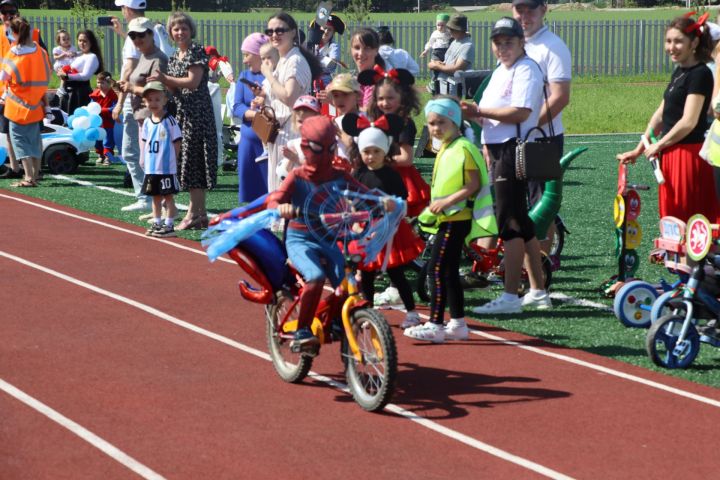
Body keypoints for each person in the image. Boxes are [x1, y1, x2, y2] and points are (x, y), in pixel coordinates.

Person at [463, 17, 550, 315]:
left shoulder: (526, 69)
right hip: (501, 149)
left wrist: (478, 111)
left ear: (521, 42)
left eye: (508, 42)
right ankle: (538, 290)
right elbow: (491, 114)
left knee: (510, 222)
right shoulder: (503, 70)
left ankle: (511, 295)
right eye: (498, 43)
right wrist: (476, 119)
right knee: (521, 223)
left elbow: (520, 111)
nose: (502, 48)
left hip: (514, 150)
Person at [266, 115, 361, 351]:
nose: (325, 156)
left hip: (330, 238)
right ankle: (302, 330)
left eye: (330, 148)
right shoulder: (298, 176)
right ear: (307, 147)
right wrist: (281, 207)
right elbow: (274, 200)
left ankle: (338, 321)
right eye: (319, 149)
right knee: (316, 276)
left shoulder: (338, 175)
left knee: (347, 283)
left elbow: (364, 193)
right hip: (300, 239)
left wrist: (385, 202)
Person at [405, 97, 495, 342]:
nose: (435, 128)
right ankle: (457, 323)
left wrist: (446, 202)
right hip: (448, 218)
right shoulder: (447, 147)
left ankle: (435, 324)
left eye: (441, 122)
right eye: (431, 124)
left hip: (457, 218)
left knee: (436, 269)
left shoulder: (463, 147)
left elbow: (474, 184)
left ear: (455, 121)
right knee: (448, 272)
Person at [617, 14, 720, 225]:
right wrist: (638, 149)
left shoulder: (700, 74)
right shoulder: (680, 71)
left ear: (694, 42)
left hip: (688, 156)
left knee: (687, 220)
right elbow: (660, 115)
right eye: (668, 41)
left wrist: (659, 145)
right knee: (672, 219)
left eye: (678, 41)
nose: (671, 47)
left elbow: (689, 121)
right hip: (670, 154)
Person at [342, 112, 424, 329]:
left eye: (376, 151)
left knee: (396, 273)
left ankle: (412, 312)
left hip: (389, 232)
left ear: (384, 151)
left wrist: (394, 205)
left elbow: (403, 202)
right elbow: (351, 199)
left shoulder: (391, 175)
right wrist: (354, 218)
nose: (371, 156)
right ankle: (368, 311)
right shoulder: (358, 174)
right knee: (366, 274)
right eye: (367, 152)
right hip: (366, 231)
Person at [148, 11, 217, 231]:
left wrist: (165, 78)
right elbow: (174, 88)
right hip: (182, 114)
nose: (180, 32)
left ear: (190, 30)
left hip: (197, 115)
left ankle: (192, 213)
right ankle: (200, 214)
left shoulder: (196, 50)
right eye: (176, 29)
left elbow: (193, 82)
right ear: (170, 32)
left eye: (183, 28)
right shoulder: (175, 55)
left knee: (194, 163)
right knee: (188, 164)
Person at [513, 0, 572, 256]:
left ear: (544, 10)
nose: (525, 15)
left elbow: (560, 97)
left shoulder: (553, 47)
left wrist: (528, 126)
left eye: (531, 9)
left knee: (541, 207)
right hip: (514, 138)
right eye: (519, 9)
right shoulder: (512, 44)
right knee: (514, 204)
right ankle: (517, 264)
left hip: (542, 140)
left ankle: (541, 268)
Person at [256, 11, 322, 193]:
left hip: (291, 132)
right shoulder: (284, 60)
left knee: (286, 191)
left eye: (280, 30)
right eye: (270, 31)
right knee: (278, 188)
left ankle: (286, 223)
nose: (274, 35)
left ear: (293, 32)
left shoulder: (295, 61)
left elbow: (290, 97)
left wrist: (268, 75)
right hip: (279, 131)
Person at [110, 0, 164, 213]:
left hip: (139, 101)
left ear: (127, 9)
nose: (136, 39)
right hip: (147, 100)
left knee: (134, 152)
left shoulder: (141, 35)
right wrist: (123, 34)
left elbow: (129, 68)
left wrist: (120, 102)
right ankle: (150, 197)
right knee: (143, 152)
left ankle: (146, 197)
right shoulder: (150, 29)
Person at [362, 66, 429, 219]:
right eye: (380, 99)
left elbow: (406, 159)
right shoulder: (377, 122)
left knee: (395, 222)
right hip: (379, 173)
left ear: (402, 97)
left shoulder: (404, 123)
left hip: (399, 178)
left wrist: (382, 161)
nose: (385, 103)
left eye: (390, 98)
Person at [0, 16, 51, 187]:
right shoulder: (40, 51)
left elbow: (3, 77)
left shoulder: (13, 53)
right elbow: (47, 72)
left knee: (20, 142)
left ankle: (28, 177)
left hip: (17, 105)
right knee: (35, 141)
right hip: (36, 104)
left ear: (13, 33)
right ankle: (35, 176)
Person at [139, 81, 182, 238]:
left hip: (165, 168)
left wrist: (174, 160)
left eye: (157, 99)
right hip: (151, 167)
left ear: (165, 100)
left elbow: (177, 141)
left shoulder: (169, 121)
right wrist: (142, 158)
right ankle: (157, 222)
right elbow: (144, 142)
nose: (153, 103)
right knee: (155, 197)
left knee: (168, 197)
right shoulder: (147, 123)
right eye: (150, 100)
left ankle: (169, 224)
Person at [233, 32, 269, 203]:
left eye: (247, 55)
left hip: (269, 143)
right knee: (250, 194)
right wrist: (256, 115)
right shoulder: (244, 76)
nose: (244, 60)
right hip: (248, 142)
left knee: (270, 189)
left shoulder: (273, 76)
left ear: (258, 54)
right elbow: (237, 107)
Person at [277, 95, 322, 182]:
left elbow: (317, 169)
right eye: (300, 121)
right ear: (294, 121)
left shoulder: (321, 143)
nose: (304, 124)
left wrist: (295, 158)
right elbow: (286, 173)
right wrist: (290, 159)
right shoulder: (293, 144)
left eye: (309, 120)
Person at [57, 30, 102, 115]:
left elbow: (86, 76)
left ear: (91, 42)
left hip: (80, 93)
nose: (82, 43)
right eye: (80, 40)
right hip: (69, 92)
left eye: (85, 41)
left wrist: (67, 76)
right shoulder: (80, 55)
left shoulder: (92, 56)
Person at [427, 14, 473, 95]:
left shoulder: (467, 46)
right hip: (442, 85)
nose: (449, 31)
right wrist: (438, 63)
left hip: (453, 89)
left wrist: (437, 66)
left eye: (451, 29)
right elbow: (447, 61)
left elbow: (457, 69)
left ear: (459, 30)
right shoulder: (455, 42)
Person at [206, 45, 234, 167]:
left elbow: (214, 79)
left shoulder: (215, 63)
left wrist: (220, 74)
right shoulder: (208, 64)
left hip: (212, 94)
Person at [349, 28, 386, 110]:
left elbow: (367, 114)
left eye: (367, 48)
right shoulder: (353, 80)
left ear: (376, 50)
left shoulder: (378, 81)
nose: (361, 53)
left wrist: (334, 101)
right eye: (357, 47)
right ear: (351, 50)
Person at [88, 71, 118, 165]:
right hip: (97, 123)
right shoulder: (95, 95)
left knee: (108, 140)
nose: (99, 85)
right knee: (98, 140)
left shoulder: (113, 95)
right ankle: (100, 155)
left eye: (102, 82)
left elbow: (114, 108)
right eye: (98, 82)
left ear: (109, 83)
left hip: (108, 122)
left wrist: (101, 110)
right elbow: (91, 106)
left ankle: (108, 157)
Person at [309, 13, 345, 88]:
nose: (326, 31)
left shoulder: (333, 46)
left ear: (333, 33)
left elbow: (332, 62)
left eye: (329, 29)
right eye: (324, 28)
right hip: (310, 81)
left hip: (325, 82)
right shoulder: (313, 44)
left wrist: (314, 61)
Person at [420, 14, 451, 91]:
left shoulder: (449, 33)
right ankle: (433, 82)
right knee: (436, 68)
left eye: (442, 25)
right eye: (438, 25)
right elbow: (430, 42)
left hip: (446, 53)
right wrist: (426, 50)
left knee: (445, 68)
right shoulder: (435, 33)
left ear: (447, 25)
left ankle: (444, 84)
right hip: (436, 52)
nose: (440, 27)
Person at [52, 28, 76, 108]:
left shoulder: (72, 47)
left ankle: (67, 88)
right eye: (64, 39)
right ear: (59, 41)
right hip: (60, 65)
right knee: (63, 76)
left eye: (68, 39)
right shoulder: (57, 49)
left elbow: (75, 54)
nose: (66, 41)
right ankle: (61, 88)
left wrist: (72, 54)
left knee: (68, 77)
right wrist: (62, 55)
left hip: (70, 65)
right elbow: (55, 57)